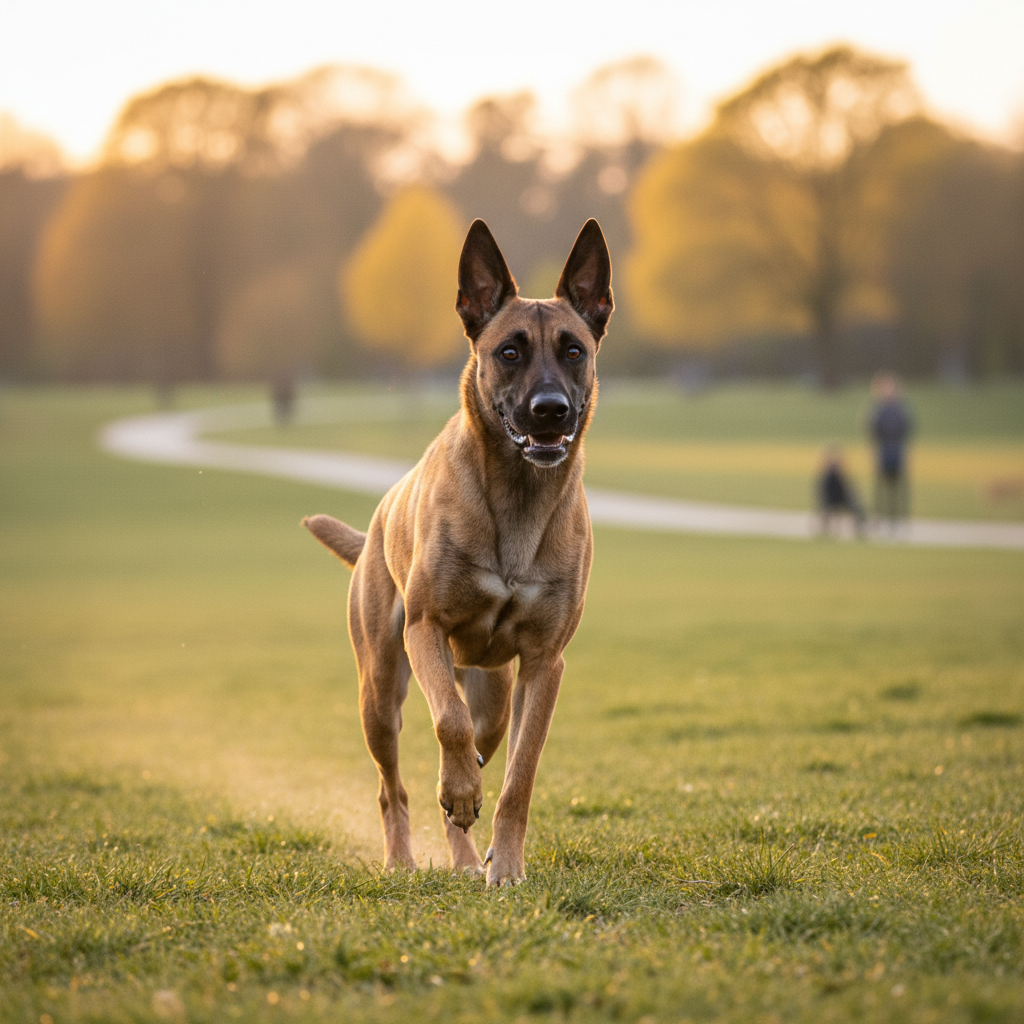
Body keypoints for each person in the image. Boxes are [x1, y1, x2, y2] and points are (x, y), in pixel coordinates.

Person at [869, 373, 913, 531]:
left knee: (897, 489)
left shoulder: (901, 410)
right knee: (881, 489)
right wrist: (874, 454)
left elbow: (907, 433)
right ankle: (879, 518)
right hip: (883, 452)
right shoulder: (878, 410)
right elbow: (873, 433)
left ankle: (897, 520)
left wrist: (907, 455)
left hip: (897, 451)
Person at [817, 446, 865, 537]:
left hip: (839, 499)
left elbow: (847, 489)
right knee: (854, 506)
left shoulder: (838, 476)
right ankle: (859, 527)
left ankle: (860, 527)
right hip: (833, 500)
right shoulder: (830, 477)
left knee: (856, 507)